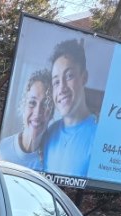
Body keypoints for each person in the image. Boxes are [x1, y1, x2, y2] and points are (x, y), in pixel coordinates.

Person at [43, 39, 97, 176]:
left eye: (69, 76)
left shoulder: (99, 136)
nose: (62, 88)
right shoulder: (49, 132)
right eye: (56, 82)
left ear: (84, 77)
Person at [0, 70, 53, 170]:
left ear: (51, 113)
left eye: (45, 104)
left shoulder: (54, 157)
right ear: (23, 106)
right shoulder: (2, 149)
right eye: (32, 103)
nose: (37, 112)